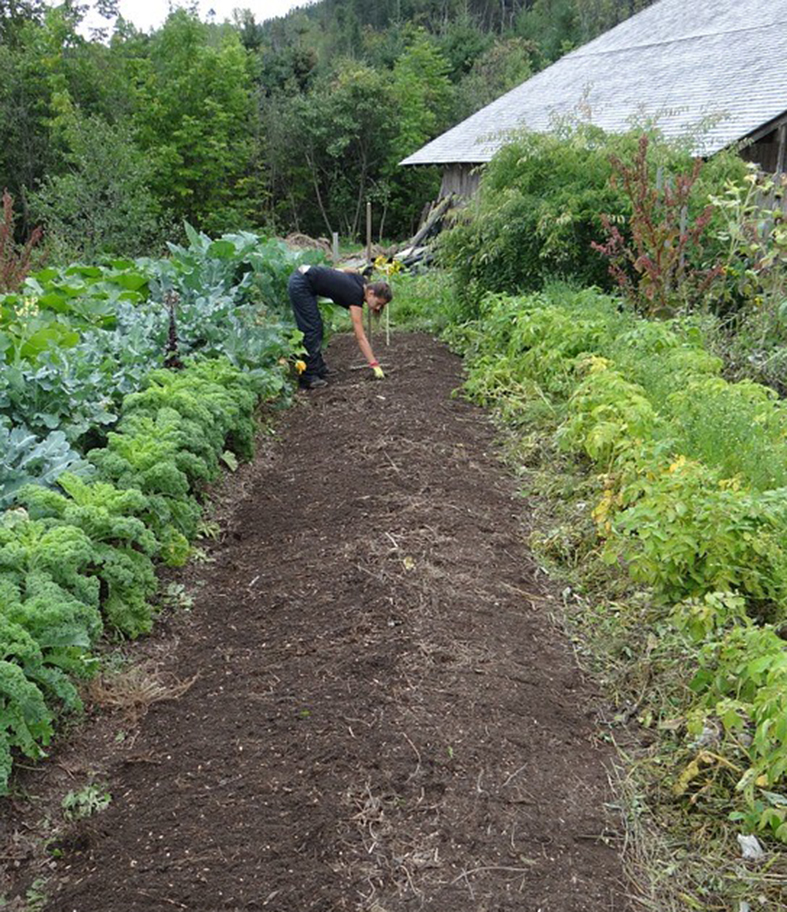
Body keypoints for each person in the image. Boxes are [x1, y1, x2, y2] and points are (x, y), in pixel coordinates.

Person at [287, 264, 392, 389]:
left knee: (316, 327)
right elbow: (360, 336)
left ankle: (318, 368)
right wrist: (374, 364)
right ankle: (308, 377)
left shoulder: (362, 281)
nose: (378, 308)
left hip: (305, 275)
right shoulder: (355, 295)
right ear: (371, 293)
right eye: (378, 303)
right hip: (301, 284)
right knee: (311, 329)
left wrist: (358, 269)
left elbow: (341, 270)